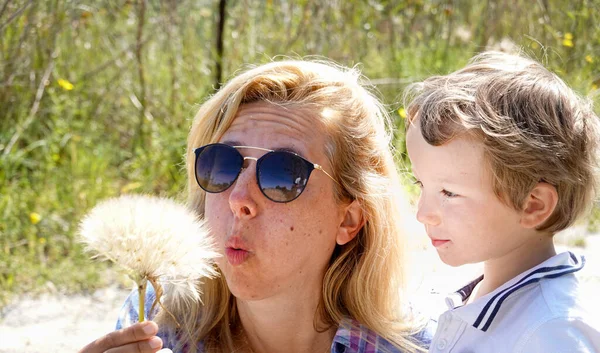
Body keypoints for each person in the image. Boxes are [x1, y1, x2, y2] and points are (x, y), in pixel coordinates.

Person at [79, 59, 431, 353]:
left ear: (349, 220)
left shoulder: (419, 345)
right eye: (222, 164)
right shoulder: (161, 323)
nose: (238, 199)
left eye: (283, 174)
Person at [404, 51, 600, 352]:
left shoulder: (553, 333)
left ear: (532, 204)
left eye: (449, 193)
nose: (423, 214)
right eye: (420, 184)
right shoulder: (481, 295)